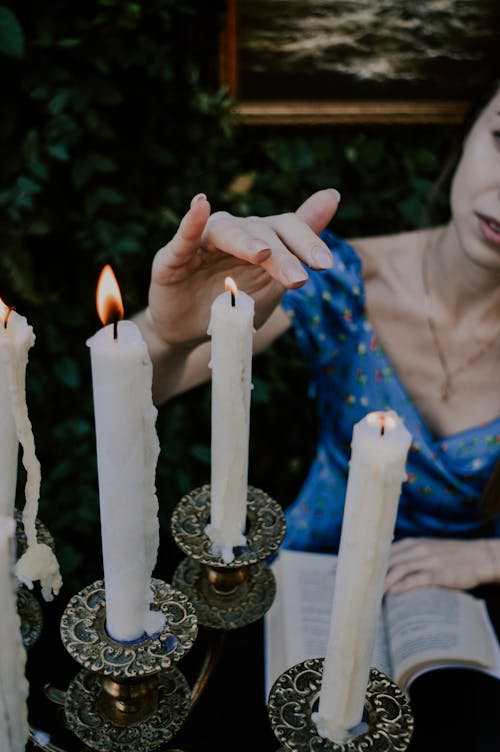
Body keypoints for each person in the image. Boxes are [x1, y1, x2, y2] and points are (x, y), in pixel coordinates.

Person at [134, 83, 500, 750]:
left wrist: (487, 554)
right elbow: (140, 389)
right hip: (301, 586)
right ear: (468, 133)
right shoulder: (337, 277)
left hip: (461, 624)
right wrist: (169, 332)